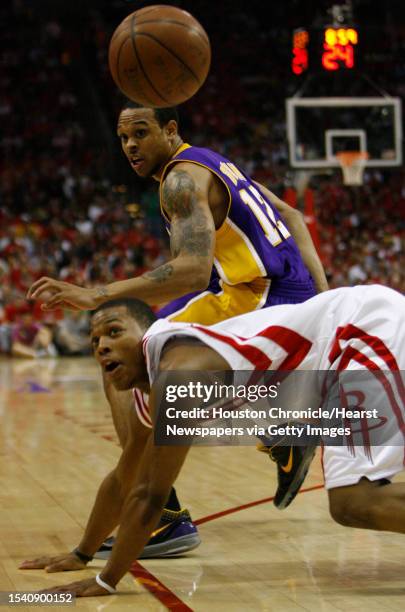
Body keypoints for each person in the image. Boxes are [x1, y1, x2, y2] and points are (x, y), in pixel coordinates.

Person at [27, 101, 328, 557]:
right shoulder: (216, 162)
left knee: (144, 369)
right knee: (129, 357)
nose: (130, 145)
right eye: (124, 137)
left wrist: (96, 293)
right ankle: (275, 433)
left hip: (267, 296)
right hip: (255, 289)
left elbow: (190, 269)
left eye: (141, 133)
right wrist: (320, 300)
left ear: (170, 130)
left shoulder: (180, 179)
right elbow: (293, 217)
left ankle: (165, 513)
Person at [20, 284, 405, 596]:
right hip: (343, 349)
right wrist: (82, 552)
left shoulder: (179, 370)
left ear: (146, 333)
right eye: (95, 340)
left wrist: (107, 580)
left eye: (114, 331)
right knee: (354, 499)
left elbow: (152, 495)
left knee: (355, 500)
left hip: (357, 330)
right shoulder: (151, 383)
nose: (101, 345)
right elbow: (126, 478)